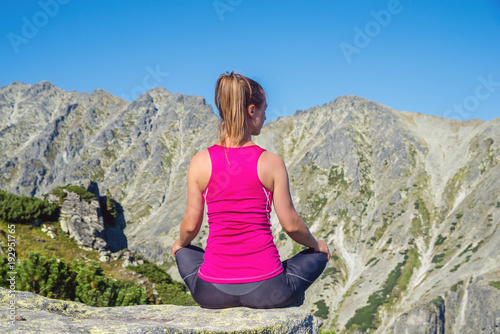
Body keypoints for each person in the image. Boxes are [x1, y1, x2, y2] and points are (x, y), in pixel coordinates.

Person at [172, 71, 330, 309]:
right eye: (265, 109)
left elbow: (191, 227)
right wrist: (316, 245)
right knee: (319, 254)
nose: (266, 116)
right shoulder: (271, 162)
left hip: (211, 293)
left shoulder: (200, 162)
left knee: (185, 250)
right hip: (268, 290)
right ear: (252, 110)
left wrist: (179, 245)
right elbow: (291, 226)